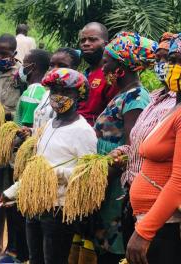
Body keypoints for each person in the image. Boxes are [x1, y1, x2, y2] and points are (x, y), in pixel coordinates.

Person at [2, 68, 97, 264]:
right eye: (54, 91)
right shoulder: (49, 125)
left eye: (65, 92)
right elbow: (36, 167)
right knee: (35, 259)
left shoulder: (83, 131)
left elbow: (88, 174)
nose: (58, 97)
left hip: (57, 210)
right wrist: (13, 191)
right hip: (36, 205)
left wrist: (55, 174)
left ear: (79, 96)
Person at [108, 32, 177, 249]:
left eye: (171, 59)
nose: (164, 65)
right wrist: (123, 151)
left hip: (163, 217)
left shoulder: (145, 99)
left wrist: (146, 230)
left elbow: (178, 179)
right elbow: (140, 142)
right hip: (135, 201)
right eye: (161, 59)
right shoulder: (156, 98)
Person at [93, 32, 155, 264]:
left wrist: (101, 178)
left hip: (114, 182)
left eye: (107, 61)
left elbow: (131, 149)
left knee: (113, 245)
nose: (103, 65)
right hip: (105, 178)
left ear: (123, 65)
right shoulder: (123, 94)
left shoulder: (137, 98)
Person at [126, 33, 181, 264]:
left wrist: (144, 232)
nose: (173, 67)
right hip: (155, 222)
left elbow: (179, 180)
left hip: (166, 225)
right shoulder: (172, 108)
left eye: (180, 61)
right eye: (172, 60)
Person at [0, 33, 27, 261]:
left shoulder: (21, 76)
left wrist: (6, 116)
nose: (0, 57)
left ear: (14, 54)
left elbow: (23, 110)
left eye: (5, 53)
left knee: (11, 195)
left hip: (14, 142)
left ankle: (12, 246)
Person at [78, 22, 119, 126]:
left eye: (92, 39)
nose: (86, 43)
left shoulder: (111, 77)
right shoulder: (82, 75)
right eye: (83, 40)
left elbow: (114, 118)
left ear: (106, 44)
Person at [33, 47, 81, 131]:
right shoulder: (46, 94)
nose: (54, 69)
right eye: (51, 65)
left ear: (75, 69)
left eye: (62, 66)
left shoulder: (75, 97)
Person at [15, 49, 51, 128]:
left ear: (33, 66)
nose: (22, 67)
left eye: (24, 63)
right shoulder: (43, 90)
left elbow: (26, 129)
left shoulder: (31, 94)